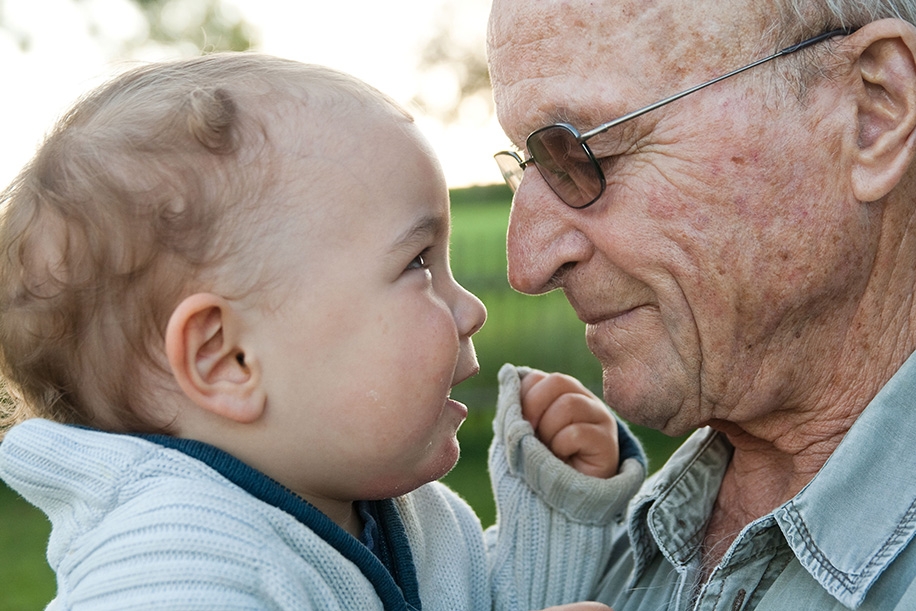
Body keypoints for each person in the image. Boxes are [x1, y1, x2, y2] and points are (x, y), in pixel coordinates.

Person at [0, 54, 646, 610]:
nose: (471, 308)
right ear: (228, 358)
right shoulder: (170, 560)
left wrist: (560, 514)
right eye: (418, 262)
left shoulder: (405, 515)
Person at [487, 0, 916, 609]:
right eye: (530, 165)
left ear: (873, 112)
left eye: (590, 153)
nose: (527, 265)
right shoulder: (566, 555)